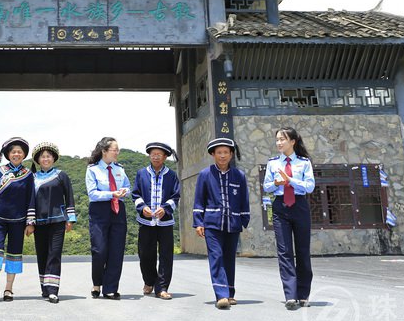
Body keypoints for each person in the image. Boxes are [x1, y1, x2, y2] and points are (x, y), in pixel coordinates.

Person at [193, 137, 250, 309]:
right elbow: (199, 200)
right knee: (216, 257)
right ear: (213, 154)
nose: (223, 156)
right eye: (219, 152)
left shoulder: (239, 176)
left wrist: (244, 219)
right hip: (212, 223)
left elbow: (244, 199)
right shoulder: (205, 174)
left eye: (226, 152)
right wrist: (198, 222)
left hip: (232, 223)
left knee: (229, 258)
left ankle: (230, 292)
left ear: (231, 154)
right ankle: (221, 295)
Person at [263, 127, 315, 310]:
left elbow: (309, 187)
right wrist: (276, 183)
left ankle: (303, 294)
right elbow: (267, 186)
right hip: (280, 207)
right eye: (277, 139)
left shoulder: (304, 162)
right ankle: (290, 295)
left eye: (282, 139)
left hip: (300, 206)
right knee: (284, 252)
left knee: (302, 251)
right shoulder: (272, 163)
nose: (279, 143)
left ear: (292, 141)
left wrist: (290, 180)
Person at [0, 137, 36, 303]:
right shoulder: (0, 171)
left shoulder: (28, 175)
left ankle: (9, 289)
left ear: (24, 154)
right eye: (13, 152)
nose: (16, 154)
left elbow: (31, 199)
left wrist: (30, 222)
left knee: (14, 254)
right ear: (8, 154)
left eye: (20, 152)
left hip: (19, 221)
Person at [132, 142, 180, 300]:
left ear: (165, 156)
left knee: (166, 255)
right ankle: (149, 281)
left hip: (165, 222)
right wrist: (142, 207)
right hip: (146, 222)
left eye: (159, 154)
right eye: (153, 154)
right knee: (145, 254)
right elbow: (136, 194)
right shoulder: (141, 173)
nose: (156, 156)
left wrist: (165, 209)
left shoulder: (172, 175)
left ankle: (162, 287)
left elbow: (176, 196)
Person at [30, 141, 77, 304]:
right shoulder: (33, 178)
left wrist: (70, 218)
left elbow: (69, 196)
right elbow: (30, 202)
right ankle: (44, 286)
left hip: (58, 220)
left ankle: (53, 290)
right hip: (39, 222)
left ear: (54, 158)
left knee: (54, 254)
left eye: (48, 156)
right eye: (42, 156)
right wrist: (29, 221)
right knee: (42, 254)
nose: (45, 159)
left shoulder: (61, 175)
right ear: (38, 159)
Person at [86, 137, 130, 299]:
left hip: (118, 209)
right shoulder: (92, 170)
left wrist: (124, 192)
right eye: (114, 150)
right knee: (99, 249)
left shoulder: (120, 169)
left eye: (118, 150)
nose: (117, 153)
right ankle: (97, 283)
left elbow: (127, 187)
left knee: (116, 250)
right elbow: (92, 193)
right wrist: (112, 194)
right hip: (99, 210)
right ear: (104, 151)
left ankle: (110, 288)